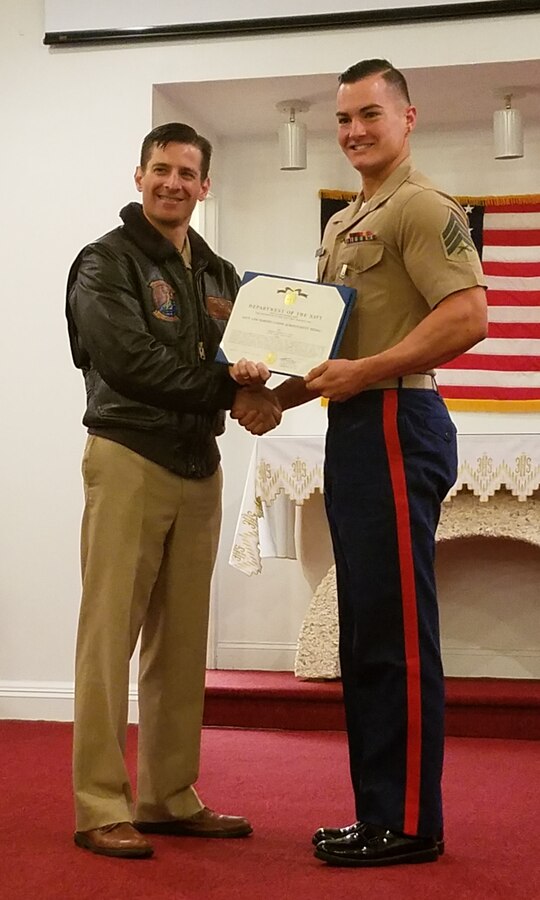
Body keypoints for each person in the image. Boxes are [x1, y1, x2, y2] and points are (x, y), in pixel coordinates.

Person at [232, 59, 487, 867]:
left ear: (407, 118)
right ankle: (380, 810)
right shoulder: (349, 223)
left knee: (395, 633)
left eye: (369, 114)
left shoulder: (422, 209)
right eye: (343, 119)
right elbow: (333, 350)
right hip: (357, 423)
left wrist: (364, 376)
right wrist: (278, 399)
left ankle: (410, 823)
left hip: (395, 420)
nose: (352, 131)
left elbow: (469, 316)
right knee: (366, 628)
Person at [66, 122, 280, 859]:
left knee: (182, 642)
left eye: (187, 173)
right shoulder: (104, 262)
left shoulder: (223, 275)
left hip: (199, 466)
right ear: (139, 175)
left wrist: (262, 387)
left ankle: (166, 795)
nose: (173, 183)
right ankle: (100, 803)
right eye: (161, 169)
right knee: (107, 640)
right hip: (128, 457)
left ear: (204, 185)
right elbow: (130, 364)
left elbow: (250, 358)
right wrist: (231, 389)